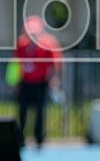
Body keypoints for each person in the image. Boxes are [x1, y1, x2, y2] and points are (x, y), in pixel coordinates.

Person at [12, 14, 63, 148]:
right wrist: (14, 81)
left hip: (40, 82)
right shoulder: (21, 44)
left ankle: (39, 138)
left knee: (40, 112)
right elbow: (16, 63)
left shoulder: (48, 43)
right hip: (25, 82)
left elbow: (54, 64)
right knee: (22, 111)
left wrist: (54, 79)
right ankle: (20, 138)